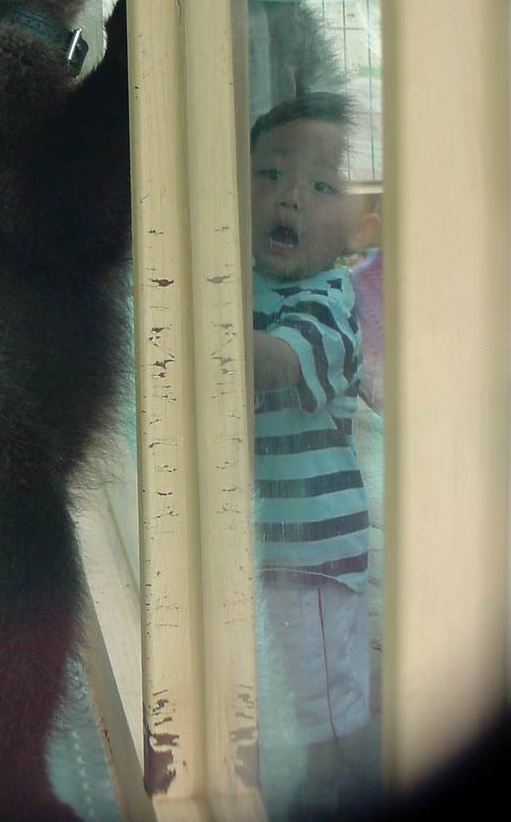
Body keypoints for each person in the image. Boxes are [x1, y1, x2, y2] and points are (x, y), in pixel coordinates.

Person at [249, 92, 380, 820]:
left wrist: (194, 321)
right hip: (276, 548)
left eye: (320, 184)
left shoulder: (330, 300)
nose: (290, 194)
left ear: (359, 229)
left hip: (318, 559)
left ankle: (334, 787)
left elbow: (270, 362)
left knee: (324, 705)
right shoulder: (252, 283)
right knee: (298, 692)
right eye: (269, 174)